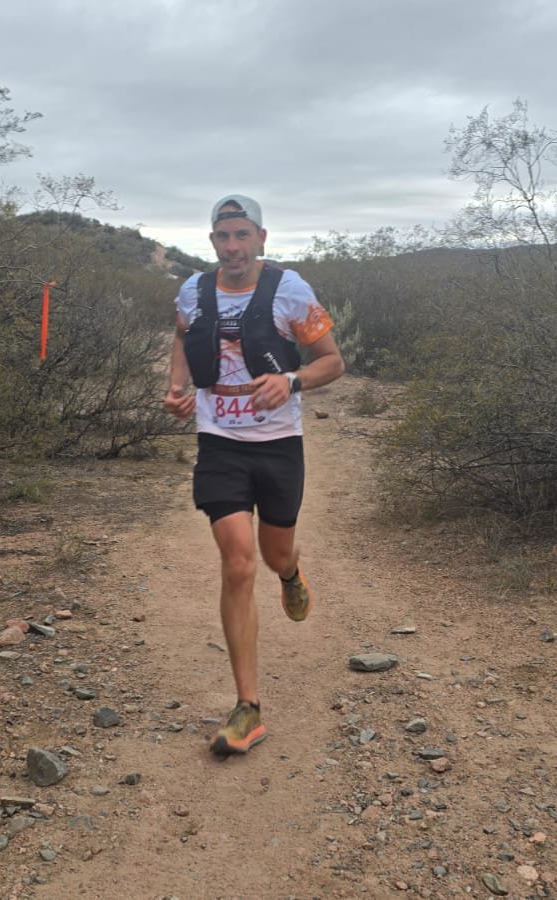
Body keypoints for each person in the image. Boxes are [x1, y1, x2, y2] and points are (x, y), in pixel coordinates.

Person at [163, 194, 345, 755]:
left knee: (273, 554)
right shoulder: (194, 290)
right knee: (238, 562)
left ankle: (291, 574)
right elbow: (182, 335)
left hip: (279, 444)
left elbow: (333, 361)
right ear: (212, 241)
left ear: (261, 238)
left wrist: (290, 381)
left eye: (242, 235)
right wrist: (177, 387)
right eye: (223, 237)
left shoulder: (290, 291)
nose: (233, 247)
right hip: (219, 442)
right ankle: (248, 707)